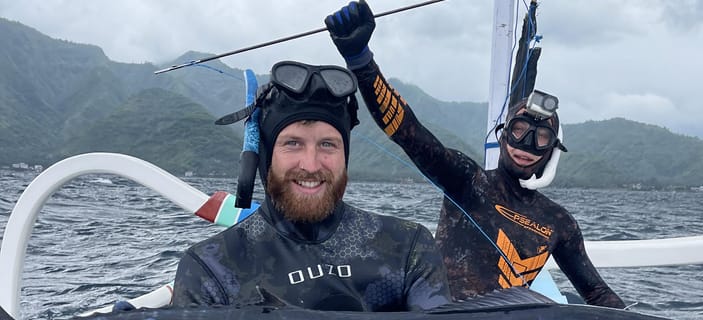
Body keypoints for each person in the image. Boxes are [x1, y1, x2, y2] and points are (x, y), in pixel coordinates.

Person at [324, 0, 626, 308]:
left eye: (541, 138)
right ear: (504, 132)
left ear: (552, 150)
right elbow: (408, 132)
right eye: (520, 131)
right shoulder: (468, 180)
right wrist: (361, 61)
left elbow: (598, 293)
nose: (526, 146)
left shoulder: (560, 222)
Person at [170, 60, 451, 311]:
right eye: (293, 143)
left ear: (345, 155)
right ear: (265, 157)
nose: (311, 165)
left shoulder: (407, 246)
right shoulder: (212, 267)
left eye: (327, 144)